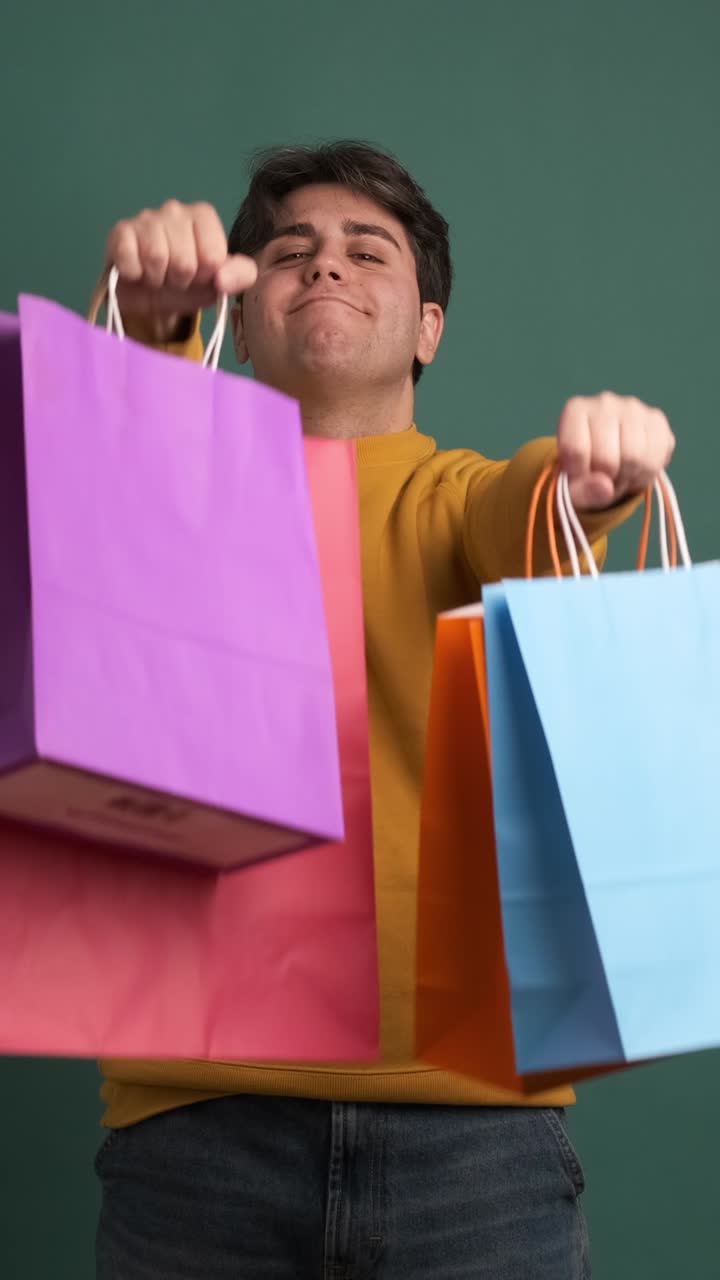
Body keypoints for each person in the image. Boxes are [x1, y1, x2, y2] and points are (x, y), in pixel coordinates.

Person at [93, 141, 674, 1280]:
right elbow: (107, 487)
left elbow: (529, 504)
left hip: (478, 1145)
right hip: (194, 1133)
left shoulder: (459, 499)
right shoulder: (173, 497)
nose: (323, 268)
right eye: (288, 252)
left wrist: (589, 480)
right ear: (244, 317)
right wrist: (147, 326)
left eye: (369, 251)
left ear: (428, 329)